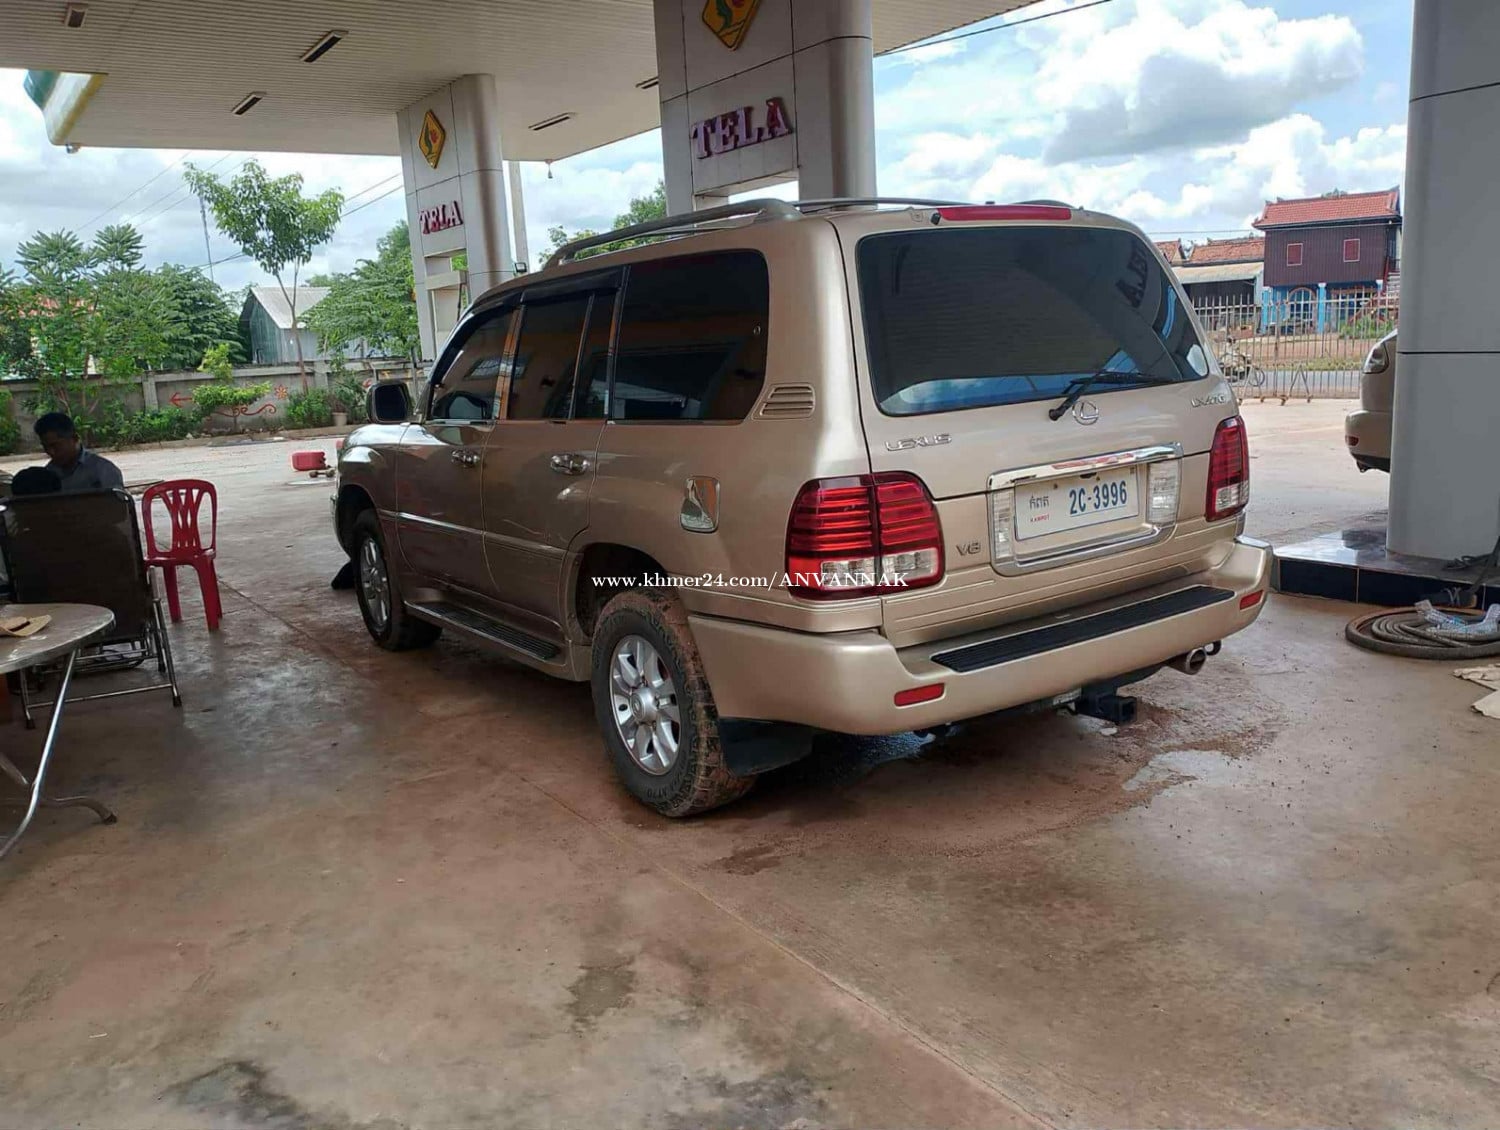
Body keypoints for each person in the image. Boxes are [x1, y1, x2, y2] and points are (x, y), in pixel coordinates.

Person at [33, 412, 124, 493]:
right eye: (45, 447)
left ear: (75, 438)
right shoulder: (47, 475)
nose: (50, 452)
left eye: (55, 446)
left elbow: (115, 505)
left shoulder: (103, 471)